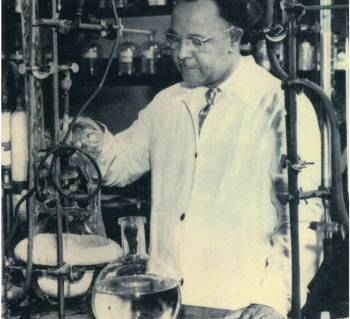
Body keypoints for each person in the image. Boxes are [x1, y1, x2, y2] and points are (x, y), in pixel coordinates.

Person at [74, 0, 323, 318]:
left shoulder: (282, 104)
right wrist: (94, 140)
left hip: (244, 304)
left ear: (233, 38)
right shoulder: (167, 102)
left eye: (197, 41)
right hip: (167, 299)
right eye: (175, 39)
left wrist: (273, 298)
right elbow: (119, 166)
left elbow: (303, 218)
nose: (181, 53)